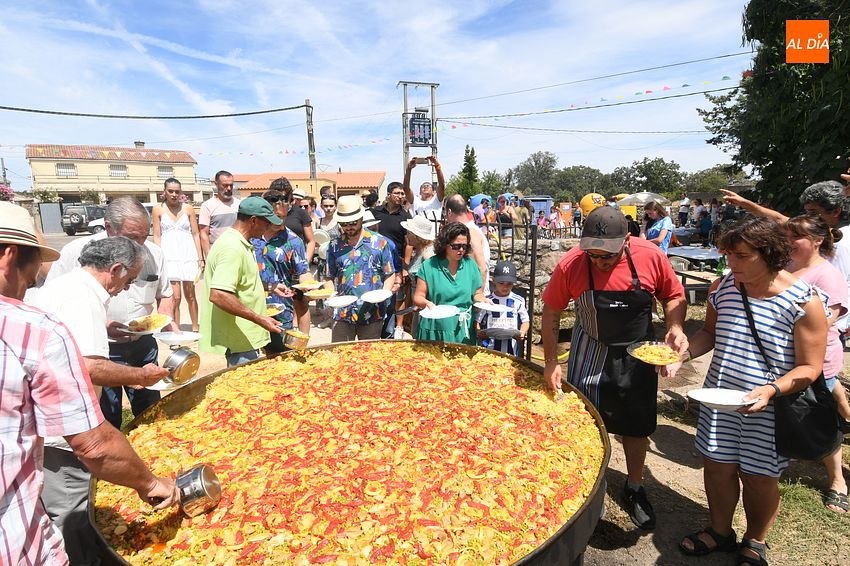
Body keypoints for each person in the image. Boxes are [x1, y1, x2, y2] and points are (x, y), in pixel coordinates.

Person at [0, 202, 179, 566]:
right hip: (57, 447)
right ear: (9, 258)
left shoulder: (66, 285)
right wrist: (141, 376)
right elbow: (88, 374)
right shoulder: (67, 307)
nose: (123, 291)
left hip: (30, 448)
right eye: (126, 282)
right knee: (73, 514)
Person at [667, 216, 827, 566]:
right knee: (718, 468)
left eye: (740, 256)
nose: (730, 264)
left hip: (769, 407)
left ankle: (755, 540)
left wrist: (771, 390)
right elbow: (709, 333)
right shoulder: (722, 288)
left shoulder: (804, 302)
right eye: (727, 255)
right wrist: (681, 354)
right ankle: (720, 532)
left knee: (759, 478)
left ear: (768, 253)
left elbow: (811, 367)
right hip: (719, 399)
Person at [541, 206, 687, 530]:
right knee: (586, 423)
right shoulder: (572, 265)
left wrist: (676, 327)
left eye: (607, 256)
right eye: (593, 256)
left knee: (636, 425)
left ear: (626, 241)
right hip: (590, 349)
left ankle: (635, 486)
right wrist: (551, 362)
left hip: (639, 352)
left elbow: (674, 296)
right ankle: (591, 487)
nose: (600, 262)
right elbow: (551, 313)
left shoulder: (650, 256)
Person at [45, 197, 174, 430]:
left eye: (144, 237)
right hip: (100, 350)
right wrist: (103, 324)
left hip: (142, 345)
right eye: (132, 237)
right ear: (108, 227)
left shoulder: (154, 253)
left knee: (152, 413)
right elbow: (56, 310)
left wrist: (164, 320)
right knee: (105, 418)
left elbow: (165, 294)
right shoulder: (75, 254)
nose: (139, 245)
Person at [784, 214, 850, 513]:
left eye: (794, 237)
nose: (787, 243)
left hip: (818, 362)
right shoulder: (788, 267)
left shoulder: (827, 275)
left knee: (820, 419)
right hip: (786, 358)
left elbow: (826, 320)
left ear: (817, 240)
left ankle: (837, 480)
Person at [200, 196, 285, 367]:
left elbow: (241, 282)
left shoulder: (240, 242)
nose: (269, 227)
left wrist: (269, 287)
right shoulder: (232, 248)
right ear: (253, 221)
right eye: (267, 223)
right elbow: (218, 295)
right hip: (239, 339)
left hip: (245, 337)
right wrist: (259, 318)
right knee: (245, 390)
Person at [323, 195, 396, 342]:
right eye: (344, 224)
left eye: (352, 223)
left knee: (368, 358)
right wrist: (331, 297)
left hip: (372, 312)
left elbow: (389, 273)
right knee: (341, 356)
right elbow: (329, 276)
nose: (348, 227)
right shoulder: (334, 246)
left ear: (361, 219)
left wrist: (385, 293)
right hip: (342, 313)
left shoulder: (379, 242)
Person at [253, 189, 310, 353]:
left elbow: (303, 271)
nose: (281, 221)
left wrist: (309, 286)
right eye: (277, 216)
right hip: (250, 313)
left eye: (284, 216)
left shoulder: (293, 241)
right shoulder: (251, 237)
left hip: (280, 316)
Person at [414, 222, 489, 345]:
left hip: (462, 330)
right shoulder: (429, 266)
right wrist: (427, 303)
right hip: (434, 328)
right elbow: (418, 297)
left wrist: (484, 301)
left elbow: (477, 294)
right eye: (456, 246)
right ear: (445, 245)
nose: (461, 250)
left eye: (464, 246)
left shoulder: (470, 265)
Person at [152, 177, 203, 331]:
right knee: (175, 298)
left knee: (191, 296)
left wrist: (200, 258)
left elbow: (196, 233)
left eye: (177, 191)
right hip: (169, 258)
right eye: (170, 191)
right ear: (164, 192)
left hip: (188, 256)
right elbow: (157, 235)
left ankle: (195, 328)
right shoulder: (158, 209)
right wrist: (158, 259)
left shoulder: (188, 208)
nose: (174, 194)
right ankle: (176, 330)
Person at [371, 182, 413, 338]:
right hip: (374, 263)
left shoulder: (406, 216)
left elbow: (409, 242)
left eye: (403, 194)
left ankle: (388, 334)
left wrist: (404, 268)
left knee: (393, 298)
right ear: (388, 194)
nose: (401, 196)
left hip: (396, 263)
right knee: (375, 297)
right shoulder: (374, 213)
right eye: (397, 193)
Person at [274, 179, 315, 334]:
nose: (281, 202)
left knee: (301, 302)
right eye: (277, 197)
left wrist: (304, 265)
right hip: (277, 264)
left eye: (285, 198)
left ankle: (302, 337)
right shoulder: (269, 214)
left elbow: (311, 241)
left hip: (297, 264)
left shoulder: (300, 213)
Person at [475, 260, 530, 357]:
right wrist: (479, 332)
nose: (505, 287)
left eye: (509, 284)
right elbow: (477, 320)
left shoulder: (518, 300)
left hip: (512, 347)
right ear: (493, 280)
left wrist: (522, 332)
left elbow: (525, 320)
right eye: (501, 283)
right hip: (491, 346)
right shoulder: (487, 301)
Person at [445, 195, 491, 295]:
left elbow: (481, 268)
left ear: (449, 212)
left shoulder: (470, 233)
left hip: (475, 296)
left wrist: (478, 297)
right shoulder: (469, 230)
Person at [400, 214, 436, 337]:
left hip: (424, 304)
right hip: (417, 303)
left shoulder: (428, 255)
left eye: (409, 233)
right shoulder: (420, 251)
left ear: (417, 236)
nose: (406, 235)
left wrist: (425, 303)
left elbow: (434, 283)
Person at [199, 170, 240, 257]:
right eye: (225, 185)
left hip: (237, 253)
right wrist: (208, 257)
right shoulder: (207, 206)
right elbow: (203, 234)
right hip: (217, 255)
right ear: (216, 184)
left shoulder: (239, 205)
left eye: (231, 185)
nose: (229, 188)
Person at [402, 156, 446, 220]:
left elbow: (442, 185)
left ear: (434, 191)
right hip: (416, 230)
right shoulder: (415, 201)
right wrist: (409, 169)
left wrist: (437, 166)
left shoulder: (437, 199)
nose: (425, 186)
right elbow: (406, 188)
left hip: (434, 229)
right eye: (423, 186)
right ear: (419, 192)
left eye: (428, 186)